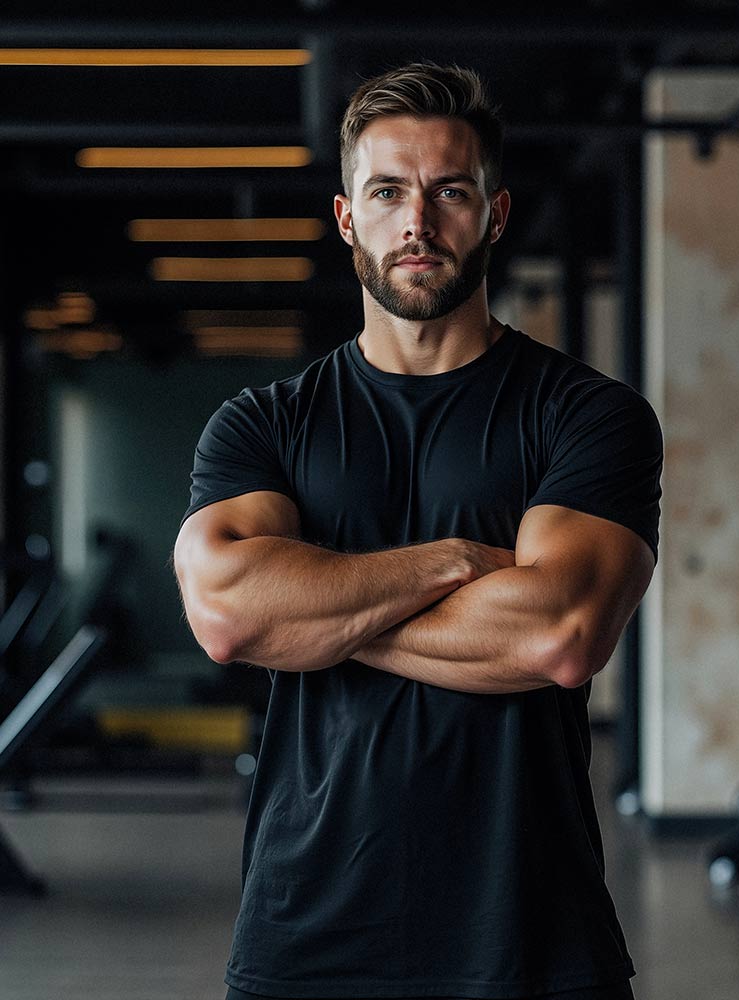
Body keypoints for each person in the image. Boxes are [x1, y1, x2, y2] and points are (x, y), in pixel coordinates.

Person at [173, 61, 663, 1000]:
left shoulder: (586, 416)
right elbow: (231, 617)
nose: (418, 222)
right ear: (348, 216)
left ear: (496, 212)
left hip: (527, 933)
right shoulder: (263, 423)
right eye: (388, 191)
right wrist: (456, 563)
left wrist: (319, 617)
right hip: (304, 933)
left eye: (450, 191)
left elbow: (557, 636)